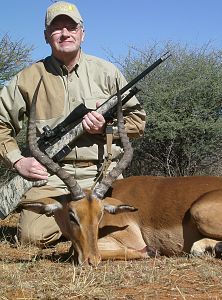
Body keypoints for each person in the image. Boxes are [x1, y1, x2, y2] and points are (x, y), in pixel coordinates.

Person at [0, 1, 146, 246]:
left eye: (72, 27)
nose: (65, 33)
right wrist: (18, 160)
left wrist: (105, 129)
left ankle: (81, 229)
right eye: (57, 28)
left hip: (101, 175)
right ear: (46, 35)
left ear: (82, 33)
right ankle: (87, 231)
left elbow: (137, 122)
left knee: (134, 220)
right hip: (50, 178)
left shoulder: (107, 72)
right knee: (32, 237)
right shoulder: (27, 78)